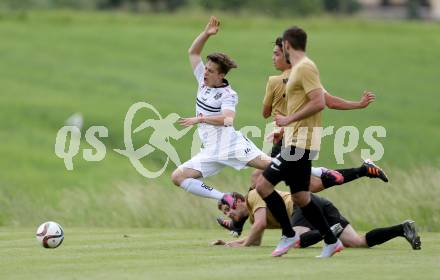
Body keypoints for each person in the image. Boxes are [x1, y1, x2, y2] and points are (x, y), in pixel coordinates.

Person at [171, 17, 387, 210]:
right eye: (206, 69)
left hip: (233, 145)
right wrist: (206, 34)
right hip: (212, 149)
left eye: (210, 70)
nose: (205, 72)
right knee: (178, 177)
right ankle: (226, 198)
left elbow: (228, 119)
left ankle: (323, 178)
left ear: (221, 76)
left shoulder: (230, 94)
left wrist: (200, 118)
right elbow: (193, 53)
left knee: (272, 171)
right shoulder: (204, 82)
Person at [255, 26, 345, 258]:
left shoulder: (305, 68)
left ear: (286, 44)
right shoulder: (299, 68)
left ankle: (288, 233)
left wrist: (287, 119)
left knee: (263, 186)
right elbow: (324, 99)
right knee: (300, 197)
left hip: (301, 143)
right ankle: (332, 240)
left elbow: (319, 102)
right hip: (297, 141)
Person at [214, 190, 421, 251]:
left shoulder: (253, 195)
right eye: (224, 213)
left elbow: (259, 226)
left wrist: (239, 246)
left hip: (302, 206)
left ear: (239, 201)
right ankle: (402, 229)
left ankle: (329, 230)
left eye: (227, 209)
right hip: (319, 202)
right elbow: (255, 239)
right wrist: (232, 243)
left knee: (294, 242)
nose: (227, 214)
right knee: (359, 242)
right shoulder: (253, 217)